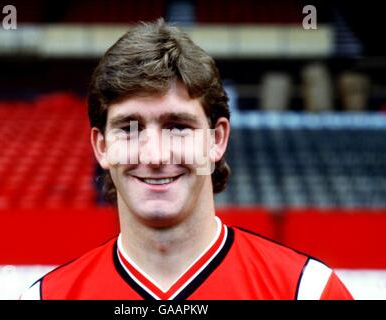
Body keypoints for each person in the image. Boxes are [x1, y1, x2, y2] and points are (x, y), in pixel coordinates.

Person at [21, 19, 353, 300]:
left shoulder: (307, 291)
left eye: (178, 127)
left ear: (217, 139)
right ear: (101, 146)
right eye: (129, 128)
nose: (155, 155)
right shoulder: (44, 297)